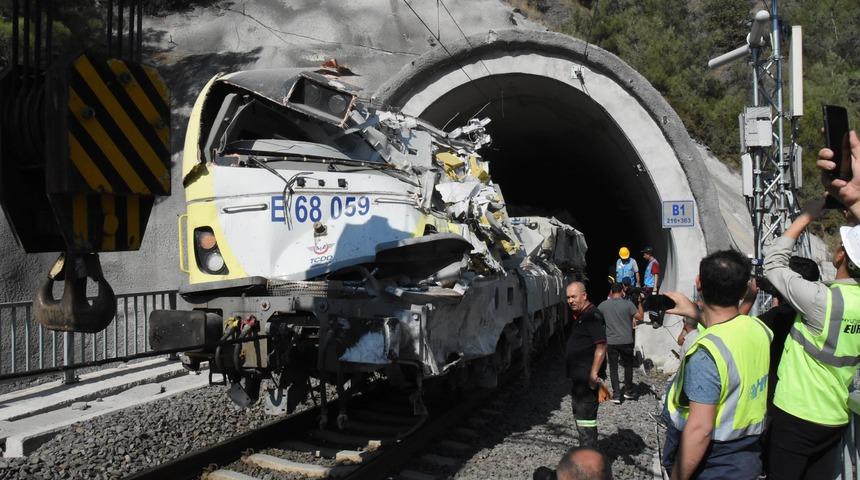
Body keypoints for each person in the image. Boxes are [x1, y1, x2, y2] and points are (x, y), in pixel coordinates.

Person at [660, 250, 772, 480]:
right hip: (749, 455)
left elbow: (700, 430)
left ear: (698, 283)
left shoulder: (706, 353)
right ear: (744, 290)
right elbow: (729, 328)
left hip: (713, 462)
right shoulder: (760, 330)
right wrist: (696, 313)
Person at [565, 281, 608, 448]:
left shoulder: (592, 316)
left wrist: (593, 374)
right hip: (580, 380)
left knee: (586, 421)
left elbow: (601, 345)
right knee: (583, 420)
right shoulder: (583, 315)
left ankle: (588, 462)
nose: (570, 300)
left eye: (574, 296)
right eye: (568, 297)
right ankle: (588, 454)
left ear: (584, 296)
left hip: (587, 382)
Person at [597, 282, 643, 403]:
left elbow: (596, 318)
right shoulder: (628, 304)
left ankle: (617, 395)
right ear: (622, 291)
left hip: (611, 342)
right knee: (628, 366)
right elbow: (640, 317)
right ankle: (628, 391)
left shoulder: (603, 305)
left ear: (611, 292)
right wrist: (639, 302)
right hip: (627, 341)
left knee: (613, 368)